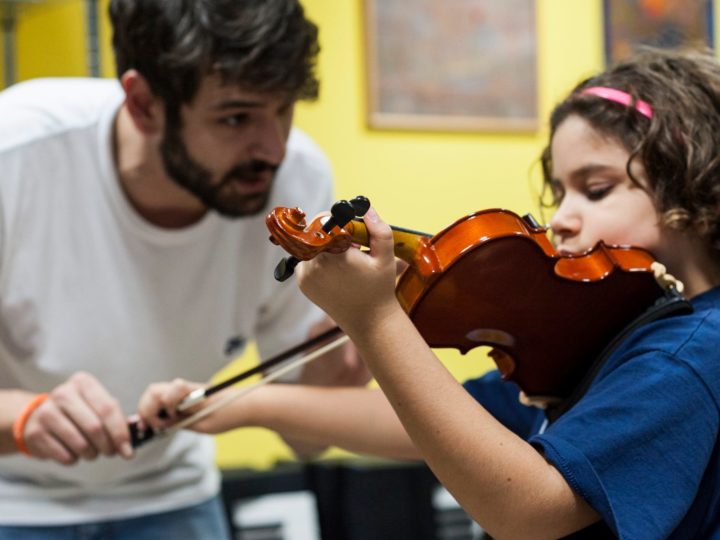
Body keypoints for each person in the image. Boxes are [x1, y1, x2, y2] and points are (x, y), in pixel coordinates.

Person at [141, 48, 720, 539]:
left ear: (693, 182)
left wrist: (376, 322)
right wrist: (235, 405)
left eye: (595, 189)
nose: (562, 220)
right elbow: (436, 422)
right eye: (558, 193)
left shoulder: (688, 350)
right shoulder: (608, 334)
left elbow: (531, 510)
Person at [0, 0, 369, 538]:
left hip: (173, 495)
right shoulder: (16, 152)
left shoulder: (296, 179)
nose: (273, 148)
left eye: (284, 109)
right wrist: (23, 417)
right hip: (13, 499)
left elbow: (306, 443)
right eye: (236, 117)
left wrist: (336, 376)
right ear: (143, 103)